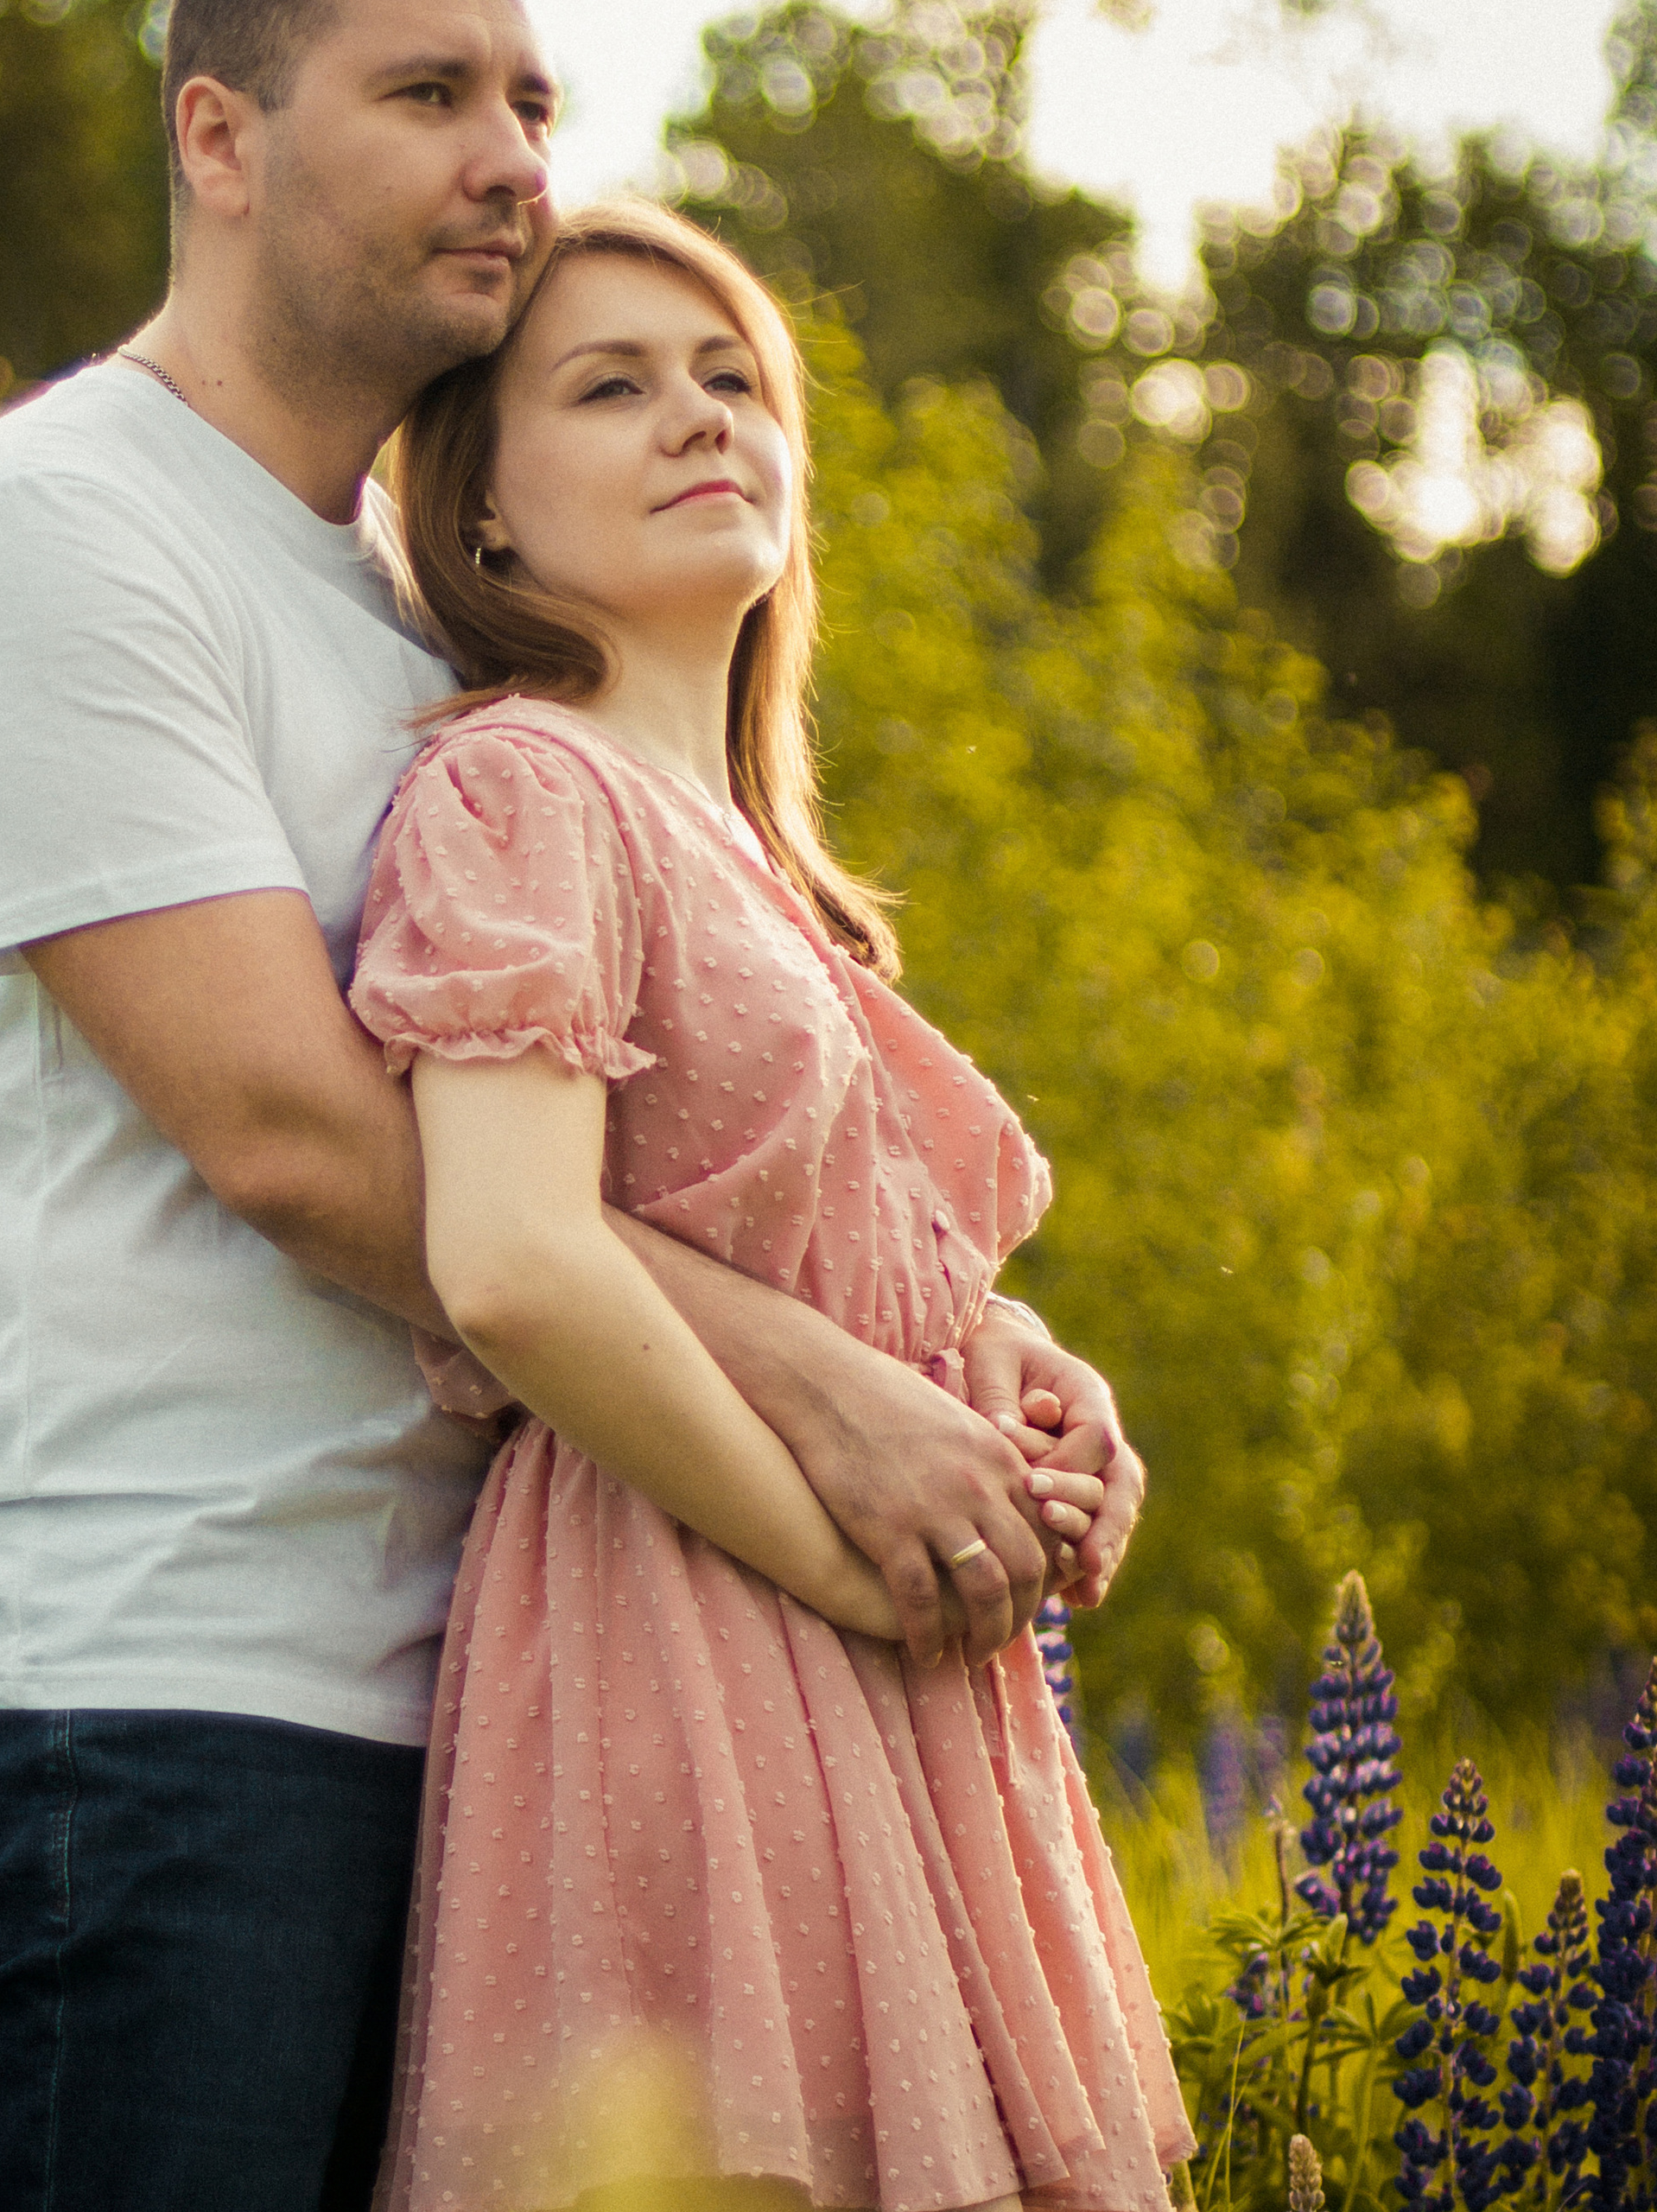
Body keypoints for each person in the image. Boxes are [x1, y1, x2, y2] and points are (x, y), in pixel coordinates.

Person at [0, 2, 1146, 2205]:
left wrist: (971, 1363)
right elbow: (300, 1138)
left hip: (506, 1681)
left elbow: (662, 1152)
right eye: (430, 95)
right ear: (219, 136)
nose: (511, 156)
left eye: (531, 100)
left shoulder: (413, 631)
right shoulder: (55, 534)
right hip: (174, 1695)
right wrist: (828, 1402)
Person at [348, 200, 1195, 2212]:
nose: (697, 416)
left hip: (885, 1633)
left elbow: (816, 1237)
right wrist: (839, 1562)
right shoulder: (518, 792)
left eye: (733, 378)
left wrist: (1012, 1372)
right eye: (613, 385)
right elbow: (515, 1260)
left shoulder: (766, 867)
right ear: (482, 518)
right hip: (694, 1616)